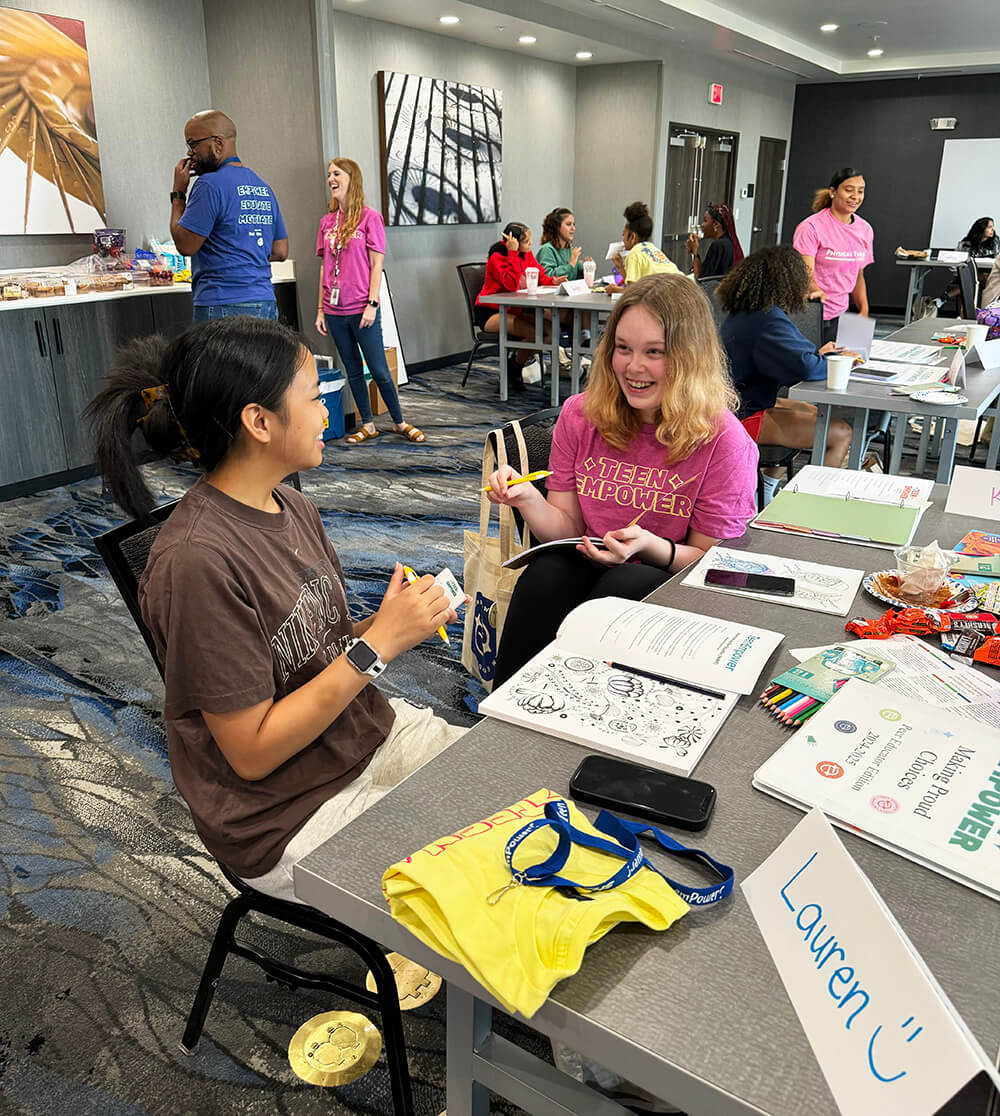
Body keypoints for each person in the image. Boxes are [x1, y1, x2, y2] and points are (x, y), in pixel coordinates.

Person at [86, 317, 462, 901]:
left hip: (356, 738)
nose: (325, 410)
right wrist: (377, 645)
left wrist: (386, 625)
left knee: (499, 785)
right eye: (314, 397)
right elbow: (254, 752)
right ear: (259, 421)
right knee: (485, 872)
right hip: (285, 813)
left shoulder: (290, 504)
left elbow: (307, 648)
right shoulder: (196, 563)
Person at [488, 273, 758, 686]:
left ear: (689, 358)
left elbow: (711, 562)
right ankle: (506, 713)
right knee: (545, 574)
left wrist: (652, 546)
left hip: (668, 574)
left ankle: (585, 707)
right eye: (623, 349)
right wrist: (527, 499)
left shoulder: (723, 441)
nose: (634, 367)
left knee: (626, 583)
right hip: (591, 561)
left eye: (655, 352)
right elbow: (568, 527)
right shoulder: (582, 414)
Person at [718, 246, 854, 493]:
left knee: (813, 412)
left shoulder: (746, 312)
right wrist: (843, 362)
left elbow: (797, 355)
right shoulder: (768, 319)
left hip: (734, 403)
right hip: (741, 417)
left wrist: (819, 355)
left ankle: (767, 489)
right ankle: (809, 509)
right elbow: (806, 367)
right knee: (840, 433)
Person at [315, 158, 425, 444]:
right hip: (333, 309)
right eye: (329, 175)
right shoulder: (326, 222)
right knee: (353, 369)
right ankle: (368, 423)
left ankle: (399, 421)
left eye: (336, 174)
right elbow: (325, 266)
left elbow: (376, 265)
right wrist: (320, 309)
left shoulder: (369, 217)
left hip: (362, 307)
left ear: (352, 178)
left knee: (377, 369)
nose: (331, 179)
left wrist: (372, 304)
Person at [170, 110, 288, 322]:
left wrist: (178, 194)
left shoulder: (209, 185)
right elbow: (280, 250)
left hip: (222, 303)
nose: (189, 153)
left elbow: (185, 245)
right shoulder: (262, 186)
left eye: (192, 144)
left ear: (218, 143)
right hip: (265, 302)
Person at [793, 167, 873, 344]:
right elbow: (805, 274)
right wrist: (816, 290)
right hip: (811, 314)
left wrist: (864, 310)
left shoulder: (865, 229)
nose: (855, 196)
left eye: (860, 191)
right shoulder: (811, 227)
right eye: (849, 190)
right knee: (814, 367)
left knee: (843, 365)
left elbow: (858, 274)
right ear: (832, 192)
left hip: (840, 314)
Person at [476, 220, 560, 390]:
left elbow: (537, 274)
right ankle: (514, 368)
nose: (531, 244)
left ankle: (515, 363)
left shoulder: (526, 254)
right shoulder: (497, 257)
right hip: (490, 312)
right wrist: (512, 253)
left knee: (551, 332)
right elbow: (510, 284)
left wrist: (553, 281)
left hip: (513, 309)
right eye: (527, 241)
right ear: (513, 240)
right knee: (536, 334)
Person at [606, 202, 680, 294]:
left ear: (632, 237)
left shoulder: (634, 253)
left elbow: (633, 293)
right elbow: (635, 285)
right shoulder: (652, 248)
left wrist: (615, 290)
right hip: (682, 288)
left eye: (623, 235)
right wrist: (620, 268)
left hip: (668, 295)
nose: (623, 239)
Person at [686, 202, 744, 279]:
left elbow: (701, 279)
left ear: (716, 225)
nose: (702, 225)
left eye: (705, 221)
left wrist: (695, 252)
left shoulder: (718, 245)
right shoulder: (731, 242)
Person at [536, 207, 593, 281]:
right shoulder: (547, 249)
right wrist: (571, 264)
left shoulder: (569, 249)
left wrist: (587, 268)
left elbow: (576, 277)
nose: (573, 228)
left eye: (574, 224)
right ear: (557, 227)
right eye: (569, 224)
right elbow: (548, 277)